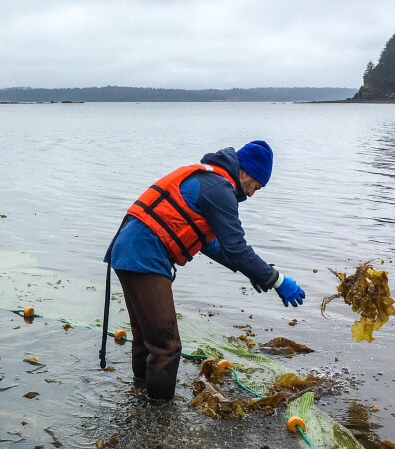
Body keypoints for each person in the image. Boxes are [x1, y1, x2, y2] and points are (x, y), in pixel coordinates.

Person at [100, 140, 305, 401]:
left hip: (128, 250)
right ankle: (160, 417)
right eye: (256, 185)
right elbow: (236, 248)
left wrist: (256, 272)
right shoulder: (219, 188)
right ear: (245, 173)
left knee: (146, 338)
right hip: (143, 255)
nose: (253, 193)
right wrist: (278, 280)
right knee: (167, 348)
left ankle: (141, 398)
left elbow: (213, 245)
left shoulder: (210, 180)